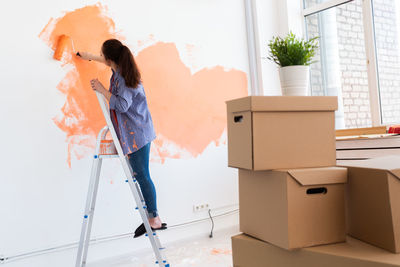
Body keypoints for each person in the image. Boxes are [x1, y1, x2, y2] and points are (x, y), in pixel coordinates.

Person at [77, 39, 166, 238]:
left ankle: (155, 219)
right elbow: (105, 58)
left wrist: (101, 89)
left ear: (111, 59)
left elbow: (123, 105)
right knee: (140, 173)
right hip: (134, 131)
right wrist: (89, 56)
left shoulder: (124, 78)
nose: (102, 58)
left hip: (137, 133)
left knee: (142, 175)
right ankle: (153, 216)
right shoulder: (120, 68)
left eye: (103, 56)